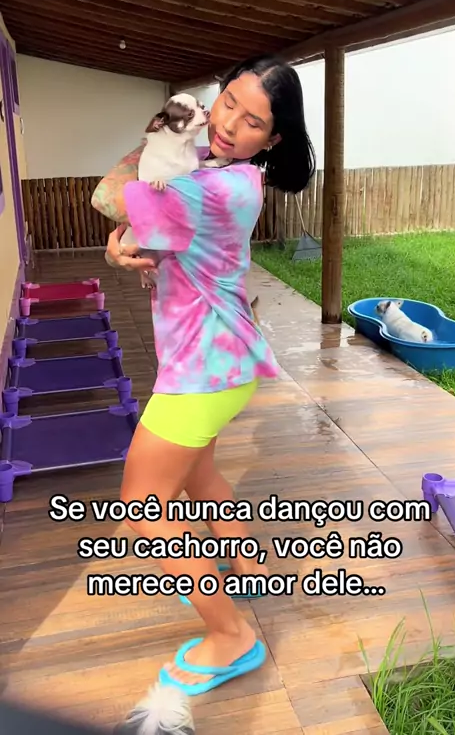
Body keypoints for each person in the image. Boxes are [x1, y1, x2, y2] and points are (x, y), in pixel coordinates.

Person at [91, 54, 316, 695]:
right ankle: (246, 570)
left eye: (253, 122)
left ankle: (231, 635)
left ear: (271, 141)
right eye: (228, 103)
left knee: (142, 509)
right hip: (220, 357)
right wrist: (124, 243)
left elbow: (108, 194)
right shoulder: (214, 172)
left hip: (201, 371)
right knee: (199, 479)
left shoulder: (224, 187)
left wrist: (163, 132)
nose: (229, 124)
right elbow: (138, 232)